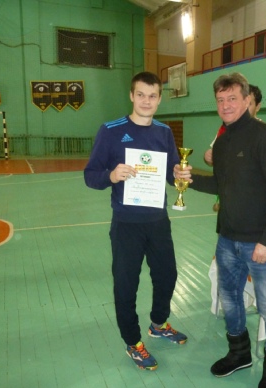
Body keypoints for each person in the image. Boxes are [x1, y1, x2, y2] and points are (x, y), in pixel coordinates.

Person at [189, 72, 266, 388]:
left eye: (232, 98)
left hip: (260, 243)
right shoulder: (223, 142)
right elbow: (221, 184)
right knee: (229, 299)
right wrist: (187, 179)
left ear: (248, 100)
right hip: (227, 239)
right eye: (220, 100)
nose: (226, 105)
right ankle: (239, 354)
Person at [84, 71, 192, 371]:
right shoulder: (111, 130)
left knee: (167, 276)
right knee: (126, 284)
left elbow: (171, 173)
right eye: (141, 95)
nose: (146, 101)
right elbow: (90, 176)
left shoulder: (164, 132)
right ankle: (133, 342)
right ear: (132, 96)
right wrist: (111, 175)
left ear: (159, 99)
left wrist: (179, 174)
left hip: (158, 221)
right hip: (126, 224)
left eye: (152, 96)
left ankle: (158, 324)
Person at [203, 83, 263, 166]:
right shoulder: (225, 129)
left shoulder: (265, 135)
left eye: (248, 104)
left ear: (257, 107)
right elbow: (215, 159)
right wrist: (208, 157)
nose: (244, 107)